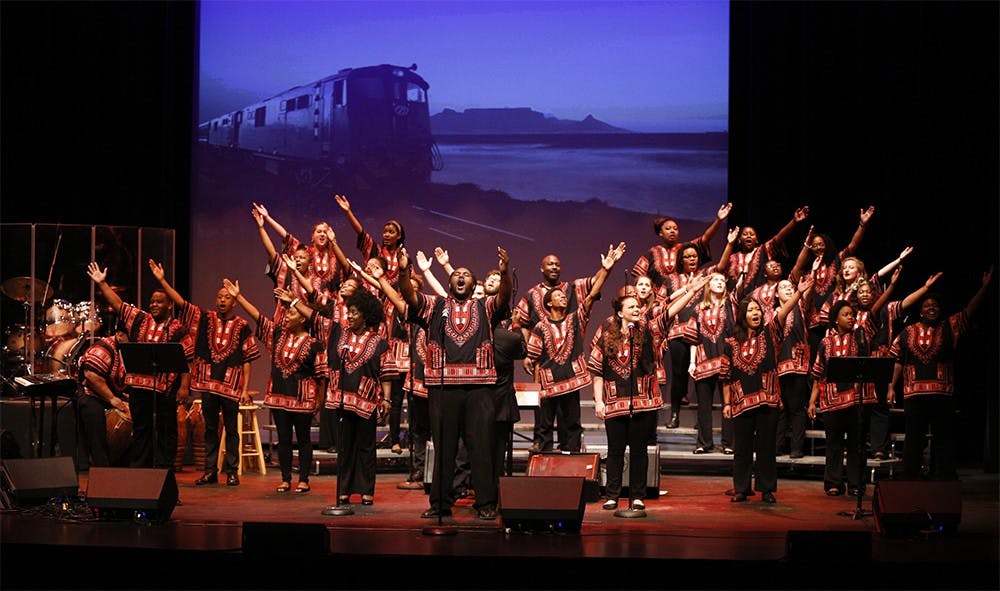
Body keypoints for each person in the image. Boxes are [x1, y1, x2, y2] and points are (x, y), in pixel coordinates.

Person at [397, 245, 512, 521]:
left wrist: (505, 273)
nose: (461, 276)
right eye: (456, 274)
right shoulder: (436, 306)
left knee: (480, 447)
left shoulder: (484, 306)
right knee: (444, 448)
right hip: (443, 386)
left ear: (474, 285)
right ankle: (440, 503)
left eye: (466, 274)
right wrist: (403, 272)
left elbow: (503, 298)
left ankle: (486, 503)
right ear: (449, 283)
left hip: (479, 388)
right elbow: (410, 297)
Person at [589, 276, 707, 511]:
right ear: (620, 312)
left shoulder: (649, 330)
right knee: (615, 451)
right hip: (614, 402)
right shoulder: (607, 333)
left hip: (643, 402)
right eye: (631, 307)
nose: (637, 309)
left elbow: (670, 311)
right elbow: (597, 370)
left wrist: (691, 292)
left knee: (639, 452)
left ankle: (637, 496)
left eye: (637, 306)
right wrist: (599, 401)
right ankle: (612, 495)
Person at [150, 260, 261, 487]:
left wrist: (245, 389)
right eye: (219, 297)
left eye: (226, 297)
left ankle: (231, 471)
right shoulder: (205, 319)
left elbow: (247, 359)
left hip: (231, 385)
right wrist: (162, 280)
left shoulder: (242, 326)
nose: (222, 300)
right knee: (210, 429)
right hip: (208, 382)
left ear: (234, 302)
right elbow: (181, 303)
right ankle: (210, 471)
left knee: (231, 429)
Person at [293, 286, 395, 506]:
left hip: (367, 401)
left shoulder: (379, 342)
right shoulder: (339, 333)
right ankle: (344, 490)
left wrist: (387, 399)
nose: (350, 316)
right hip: (341, 400)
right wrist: (293, 302)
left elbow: (386, 373)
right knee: (345, 447)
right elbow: (316, 319)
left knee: (366, 447)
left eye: (355, 313)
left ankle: (366, 491)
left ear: (366, 316)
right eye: (349, 312)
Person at [888, 267, 993, 481]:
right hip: (914, 395)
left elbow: (969, 311)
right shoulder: (907, 332)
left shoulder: (949, 327)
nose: (931, 308)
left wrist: (984, 288)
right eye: (927, 305)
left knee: (944, 437)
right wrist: (891, 386)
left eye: (935, 305)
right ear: (920, 311)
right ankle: (910, 478)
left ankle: (945, 478)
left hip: (942, 394)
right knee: (913, 438)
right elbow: (897, 361)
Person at [87, 261, 193, 470]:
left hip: (165, 390)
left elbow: (187, 359)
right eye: (151, 302)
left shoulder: (178, 328)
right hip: (139, 387)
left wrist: (183, 387)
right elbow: (118, 304)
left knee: (166, 430)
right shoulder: (139, 319)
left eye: (159, 302)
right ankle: (140, 471)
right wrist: (102, 284)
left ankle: (164, 471)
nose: (153, 305)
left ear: (169, 305)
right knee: (142, 429)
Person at [224, 278, 327, 494]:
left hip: (302, 398)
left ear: (303, 318)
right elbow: (258, 317)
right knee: (284, 439)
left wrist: (320, 400)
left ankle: (304, 479)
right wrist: (239, 297)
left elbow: (321, 376)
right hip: (279, 395)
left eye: (291, 313)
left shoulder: (314, 345)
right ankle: (286, 479)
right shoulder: (278, 335)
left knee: (304, 439)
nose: (286, 316)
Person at [722, 274, 814, 504]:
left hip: (767, 400)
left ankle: (766, 489)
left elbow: (782, 313)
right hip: (740, 403)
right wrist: (726, 403)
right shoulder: (731, 343)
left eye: (758, 310)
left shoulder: (770, 334)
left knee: (766, 447)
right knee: (742, 448)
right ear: (742, 315)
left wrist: (798, 293)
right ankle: (741, 488)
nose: (756, 313)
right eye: (751, 310)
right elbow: (725, 376)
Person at [526, 243, 626, 453]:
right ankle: (542, 462)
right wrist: (536, 385)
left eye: (564, 296)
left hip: (571, 380)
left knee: (571, 426)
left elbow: (591, 296)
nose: (563, 296)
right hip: (548, 381)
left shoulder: (575, 319)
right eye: (558, 296)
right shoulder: (540, 327)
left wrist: (607, 269)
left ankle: (571, 458)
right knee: (544, 428)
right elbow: (534, 358)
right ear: (548, 303)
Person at [807, 300, 875, 497]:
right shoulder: (825, 343)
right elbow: (818, 374)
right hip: (832, 402)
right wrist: (812, 402)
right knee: (834, 444)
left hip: (857, 400)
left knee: (857, 444)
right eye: (845, 314)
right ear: (835, 319)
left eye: (852, 314)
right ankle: (834, 483)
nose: (850, 317)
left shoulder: (861, 338)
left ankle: (856, 484)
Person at [631, 202, 732, 296]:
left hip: (684, 293)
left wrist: (718, 220)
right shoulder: (652, 253)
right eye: (668, 229)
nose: (672, 231)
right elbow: (639, 277)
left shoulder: (685, 249)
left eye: (675, 229)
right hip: (658, 299)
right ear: (660, 233)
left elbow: (705, 239)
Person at [75, 328, 131, 470]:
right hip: (90, 392)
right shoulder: (103, 349)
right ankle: (101, 465)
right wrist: (112, 399)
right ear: (119, 334)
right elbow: (91, 376)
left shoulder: (128, 350)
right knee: (94, 412)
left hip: (111, 393)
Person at [725, 205, 810, 294]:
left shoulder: (762, 251)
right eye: (745, 234)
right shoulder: (732, 258)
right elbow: (720, 268)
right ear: (739, 240)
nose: (749, 236)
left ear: (756, 240)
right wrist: (730, 243)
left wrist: (794, 222)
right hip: (733, 299)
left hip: (757, 297)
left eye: (752, 234)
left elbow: (777, 239)